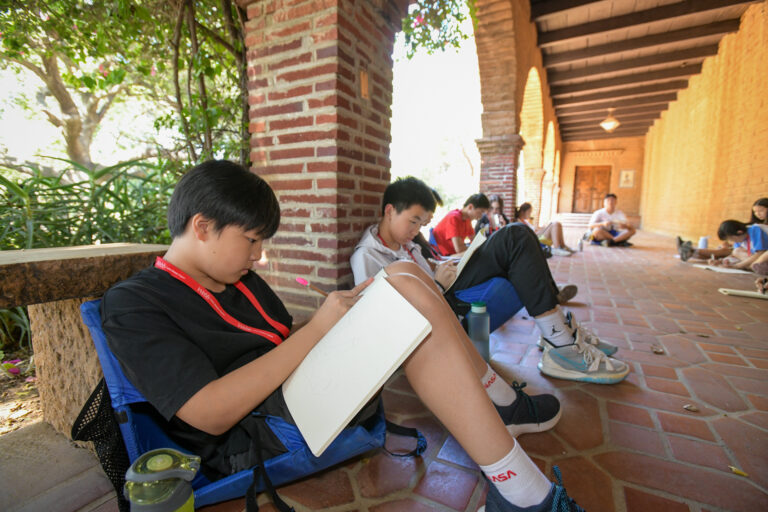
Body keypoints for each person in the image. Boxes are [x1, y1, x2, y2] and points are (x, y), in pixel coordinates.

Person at [100, 161, 585, 512]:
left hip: (294, 396)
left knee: (403, 277)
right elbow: (207, 413)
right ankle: (524, 490)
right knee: (403, 289)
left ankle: (504, 414)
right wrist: (318, 331)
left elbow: (277, 345)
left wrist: (332, 326)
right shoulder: (135, 304)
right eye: (251, 240)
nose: (259, 256)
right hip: (255, 433)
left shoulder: (238, 281)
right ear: (202, 227)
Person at [351, 177, 629, 386]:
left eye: (421, 224)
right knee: (516, 236)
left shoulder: (405, 243)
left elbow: (426, 266)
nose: (416, 231)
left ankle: (559, 332)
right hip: (438, 307)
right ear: (389, 211)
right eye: (413, 221)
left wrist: (446, 266)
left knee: (520, 235)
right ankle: (561, 344)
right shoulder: (368, 256)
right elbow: (383, 318)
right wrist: (436, 284)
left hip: (445, 287)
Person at [678, 197, 768, 261]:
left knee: (726, 251)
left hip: (757, 252)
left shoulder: (758, 228)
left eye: (761, 211)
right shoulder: (754, 225)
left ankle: (692, 251)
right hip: (747, 249)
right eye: (755, 212)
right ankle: (692, 252)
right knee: (725, 250)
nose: (757, 214)